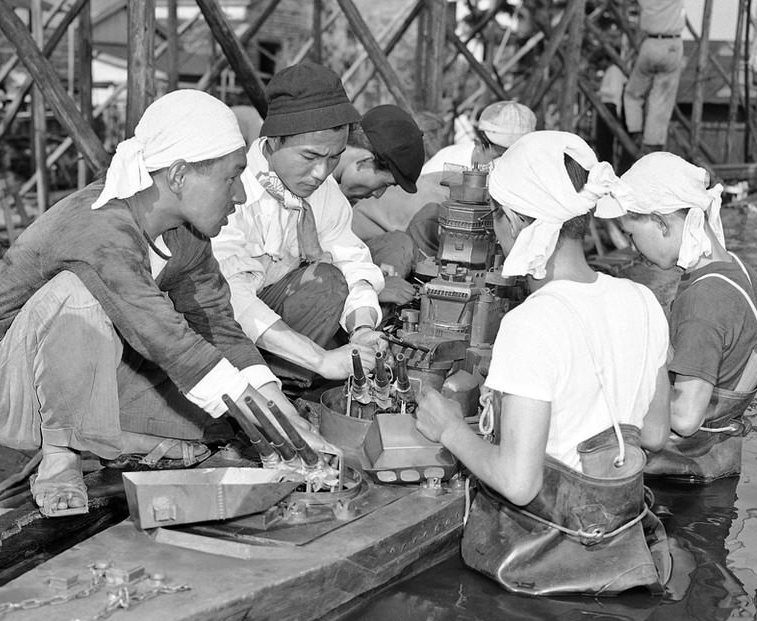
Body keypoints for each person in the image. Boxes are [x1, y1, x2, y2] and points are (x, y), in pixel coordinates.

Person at [0, 90, 325, 517]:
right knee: (80, 295)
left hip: (94, 371)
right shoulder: (98, 225)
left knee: (227, 420)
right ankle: (61, 454)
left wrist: (275, 406)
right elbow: (166, 338)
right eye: (231, 177)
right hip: (3, 382)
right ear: (180, 175)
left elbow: (217, 326)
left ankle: (102, 435)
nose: (239, 196)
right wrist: (258, 412)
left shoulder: (187, 237)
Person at [413, 131, 672, 596]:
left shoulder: (531, 322)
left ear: (511, 220)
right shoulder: (644, 300)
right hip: (619, 552)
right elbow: (652, 435)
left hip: (545, 568)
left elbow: (518, 482)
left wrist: (449, 428)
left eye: (496, 217)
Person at [598, 152, 757, 481]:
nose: (634, 248)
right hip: (722, 458)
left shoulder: (703, 300)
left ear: (661, 223)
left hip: (685, 470)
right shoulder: (740, 272)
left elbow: (686, 416)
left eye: (632, 235)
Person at [211, 61, 387, 386]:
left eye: (334, 157)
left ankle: (288, 383)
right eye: (309, 157)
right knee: (324, 282)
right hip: (218, 324)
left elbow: (353, 262)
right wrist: (321, 360)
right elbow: (228, 297)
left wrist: (362, 328)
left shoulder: (325, 192)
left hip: (274, 317)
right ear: (274, 140)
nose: (322, 173)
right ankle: (254, 383)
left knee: (331, 278)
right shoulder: (233, 192)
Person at [352, 100, 537, 263]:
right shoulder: (443, 172)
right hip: (368, 241)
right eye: (502, 154)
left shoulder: (511, 177)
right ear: (481, 143)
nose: (509, 163)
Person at [331, 104, 426, 303]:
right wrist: (372, 287)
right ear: (364, 161)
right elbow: (306, 266)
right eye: (383, 184)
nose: (377, 194)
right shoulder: (311, 183)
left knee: (398, 242)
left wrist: (372, 272)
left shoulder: (337, 191)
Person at [622, 0, 685, 153]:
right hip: (672, 44)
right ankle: (652, 143)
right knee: (661, 99)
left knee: (632, 93)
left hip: (650, 44)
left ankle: (635, 130)